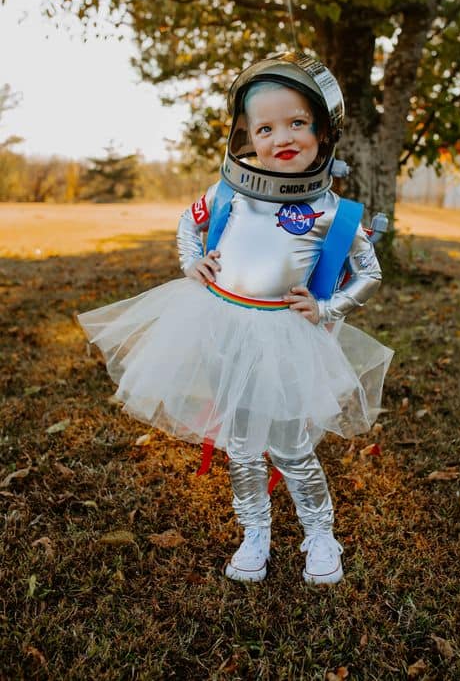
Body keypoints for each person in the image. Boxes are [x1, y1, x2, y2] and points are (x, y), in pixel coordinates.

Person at [77, 52, 393, 586]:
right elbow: (188, 223)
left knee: (292, 445)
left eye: (297, 123)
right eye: (265, 127)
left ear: (322, 133)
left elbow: (369, 272)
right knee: (242, 446)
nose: (282, 137)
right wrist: (191, 262)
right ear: (246, 135)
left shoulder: (333, 212)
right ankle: (255, 532)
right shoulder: (229, 193)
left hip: (288, 336)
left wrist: (326, 307)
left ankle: (320, 534)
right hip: (227, 331)